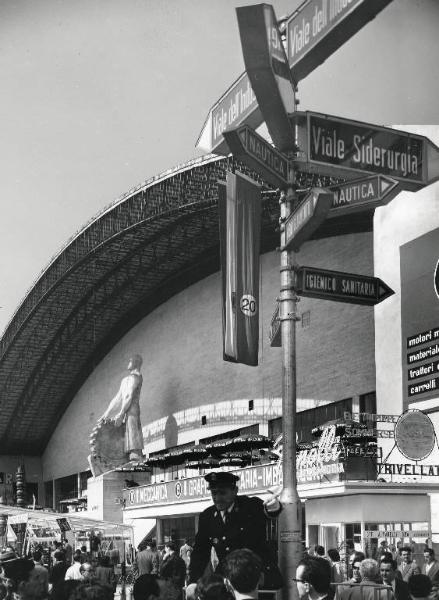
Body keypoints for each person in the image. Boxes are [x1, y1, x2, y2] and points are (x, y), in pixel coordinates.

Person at [188, 471, 282, 587]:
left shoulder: (250, 506)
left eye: (222, 493)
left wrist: (275, 506)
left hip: (256, 578)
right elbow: (200, 553)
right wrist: (193, 582)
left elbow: (270, 510)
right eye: (214, 493)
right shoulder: (207, 517)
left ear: (235, 491)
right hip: (227, 581)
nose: (217, 498)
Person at [98, 355, 144, 461]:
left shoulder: (135, 377)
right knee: (126, 431)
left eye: (130, 360)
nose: (128, 362)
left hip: (132, 410)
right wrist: (106, 414)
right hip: (127, 410)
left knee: (132, 430)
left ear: (136, 363)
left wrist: (121, 413)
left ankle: (135, 454)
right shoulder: (125, 379)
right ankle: (129, 455)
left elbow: (129, 396)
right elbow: (118, 398)